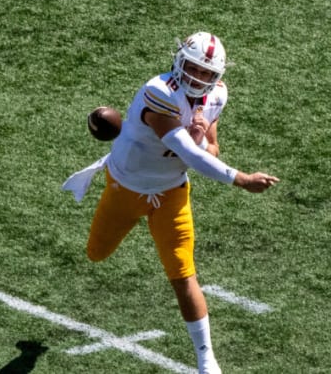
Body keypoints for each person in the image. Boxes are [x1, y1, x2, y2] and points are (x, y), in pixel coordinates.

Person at [62, 31, 279, 374]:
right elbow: (188, 152)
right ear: (180, 62)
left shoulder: (217, 95)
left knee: (182, 272)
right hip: (126, 186)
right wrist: (240, 179)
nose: (200, 77)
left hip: (172, 192)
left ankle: (207, 359)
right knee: (96, 253)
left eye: (208, 72)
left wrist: (202, 136)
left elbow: (209, 149)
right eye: (194, 68)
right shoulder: (159, 93)